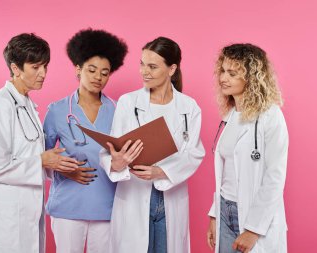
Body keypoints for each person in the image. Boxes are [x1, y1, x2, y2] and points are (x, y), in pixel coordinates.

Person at [0, 33, 80, 253]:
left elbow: (26, 153)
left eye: (45, 66)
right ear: (16, 68)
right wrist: (41, 160)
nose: (43, 74)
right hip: (3, 217)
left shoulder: (27, 105)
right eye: (35, 67)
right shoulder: (0, 105)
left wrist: (54, 164)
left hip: (25, 212)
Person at [100, 36, 205, 253]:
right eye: (142, 64)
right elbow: (110, 150)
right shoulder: (128, 103)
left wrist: (161, 171)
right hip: (134, 194)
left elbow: (194, 153)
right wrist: (115, 162)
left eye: (152, 66)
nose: (144, 71)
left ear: (171, 69)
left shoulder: (189, 107)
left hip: (170, 196)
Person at [43, 28, 128, 253]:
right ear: (78, 70)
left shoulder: (120, 111)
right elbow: (42, 158)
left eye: (104, 72)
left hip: (106, 207)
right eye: (91, 70)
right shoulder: (57, 111)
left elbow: (124, 156)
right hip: (68, 206)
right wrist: (62, 170)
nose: (98, 77)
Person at [206, 44, 289, 253]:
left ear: (251, 77)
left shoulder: (271, 116)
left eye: (232, 73)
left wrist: (253, 229)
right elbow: (225, 174)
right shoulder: (230, 115)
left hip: (255, 214)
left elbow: (275, 177)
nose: (223, 78)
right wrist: (214, 214)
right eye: (223, 71)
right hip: (225, 209)